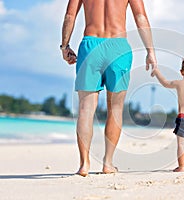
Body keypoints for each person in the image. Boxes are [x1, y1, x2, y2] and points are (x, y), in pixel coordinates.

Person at [60, 0, 157, 176]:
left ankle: (84, 165)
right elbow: (140, 16)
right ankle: (108, 163)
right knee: (116, 109)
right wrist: (150, 51)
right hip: (118, 47)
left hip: (90, 46)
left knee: (85, 109)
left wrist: (65, 46)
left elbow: (70, 16)